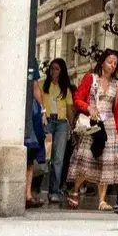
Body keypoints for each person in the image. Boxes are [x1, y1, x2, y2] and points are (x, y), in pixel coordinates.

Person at [66, 48, 118, 211]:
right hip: (91, 124)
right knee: (85, 158)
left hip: (109, 125)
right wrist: (88, 107)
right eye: (109, 62)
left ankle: (102, 200)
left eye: (115, 63)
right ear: (102, 62)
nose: (112, 65)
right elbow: (77, 97)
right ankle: (75, 190)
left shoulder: (117, 85)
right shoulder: (90, 78)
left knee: (106, 162)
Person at [41, 58, 73, 204]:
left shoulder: (65, 88)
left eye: (57, 69)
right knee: (42, 156)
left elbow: (70, 108)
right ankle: (34, 189)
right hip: (46, 120)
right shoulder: (43, 84)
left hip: (61, 123)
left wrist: (71, 126)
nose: (53, 71)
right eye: (52, 68)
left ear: (62, 71)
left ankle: (54, 191)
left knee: (58, 159)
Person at [25, 79, 47, 209]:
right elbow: (35, 87)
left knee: (30, 156)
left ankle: (27, 195)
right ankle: (26, 195)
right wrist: (43, 111)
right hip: (29, 117)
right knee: (29, 155)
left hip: (30, 116)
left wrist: (43, 111)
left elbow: (35, 87)